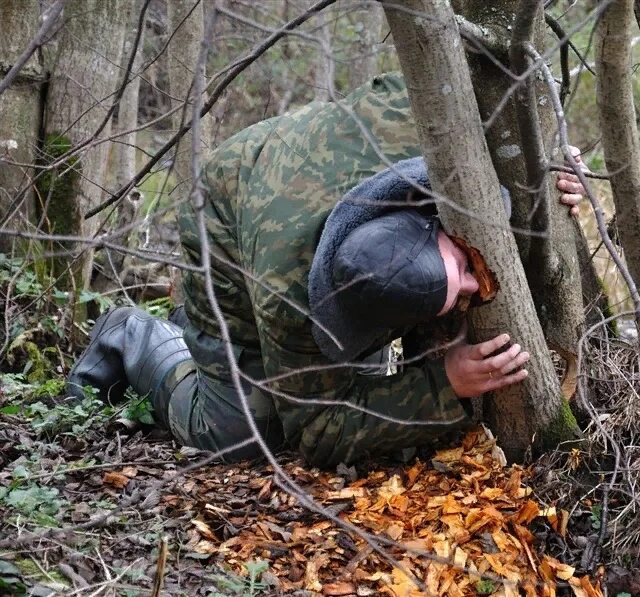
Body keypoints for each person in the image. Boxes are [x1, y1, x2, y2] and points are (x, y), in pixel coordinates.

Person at [66, 73, 587, 467]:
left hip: (291, 185)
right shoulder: (286, 296)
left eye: (461, 269)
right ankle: (138, 336)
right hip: (227, 226)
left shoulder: (427, 121)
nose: (480, 286)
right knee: (243, 436)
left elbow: (493, 87)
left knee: (366, 366)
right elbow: (316, 427)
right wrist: (445, 383)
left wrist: (546, 170)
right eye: (462, 273)